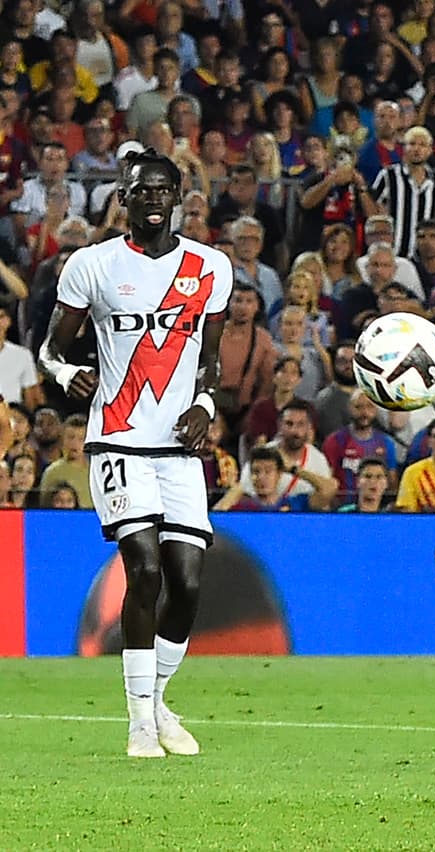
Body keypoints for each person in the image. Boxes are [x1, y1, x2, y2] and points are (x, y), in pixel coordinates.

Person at [38, 148, 232, 758]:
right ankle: (139, 723)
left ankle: (159, 700)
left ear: (179, 196)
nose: (150, 199)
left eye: (161, 189)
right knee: (144, 569)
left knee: (190, 583)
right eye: (139, 190)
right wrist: (67, 373)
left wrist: (205, 402)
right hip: (118, 439)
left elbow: (210, 356)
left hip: (178, 449)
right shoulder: (91, 266)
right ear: (122, 197)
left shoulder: (211, 267)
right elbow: (51, 349)